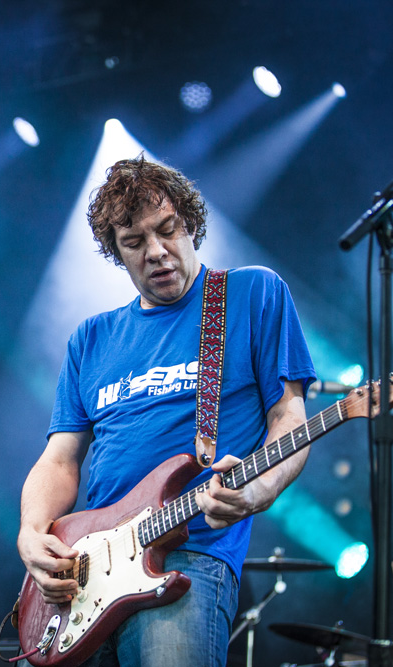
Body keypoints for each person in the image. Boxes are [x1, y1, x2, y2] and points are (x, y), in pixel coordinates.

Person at [16, 156, 316, 666]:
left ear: (190, 225)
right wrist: (31, 531)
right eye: (134, 242)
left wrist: (258, 490)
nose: (156, 251)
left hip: (189, 556)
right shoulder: (92, 339)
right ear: (116, 252)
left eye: (168, 229)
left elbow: (289, 417)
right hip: (85, 572)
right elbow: (60, 459)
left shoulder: (250, 293)